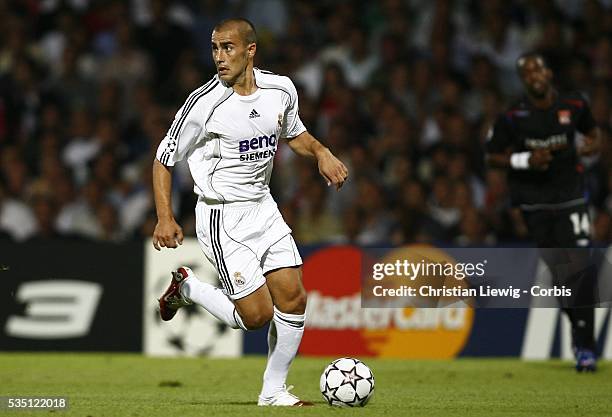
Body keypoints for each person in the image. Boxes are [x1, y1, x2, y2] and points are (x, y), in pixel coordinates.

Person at [151, 18, 348, 405]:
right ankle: (188, 286)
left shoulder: (280, 90)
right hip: (222, 217)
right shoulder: (203, 104)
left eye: (228, 47)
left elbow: (296, 134)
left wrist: (322, 152)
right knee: (256, 316)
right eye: (214, 48)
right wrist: (165, 217)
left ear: (250, 50)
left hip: (263, 206)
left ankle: (273, 392)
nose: (219, 57)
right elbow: (163, 159)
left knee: (293, 297)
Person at [486, 53, 601, 372]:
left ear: (549, 73)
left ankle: (585, 346)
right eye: (527, 72)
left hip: (571, 198)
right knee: (562, 277)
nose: (534, 75)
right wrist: (525, 161)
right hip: (535, 203)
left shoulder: (575, 105)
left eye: (538, 68)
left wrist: (593, 143)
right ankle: (580, 334)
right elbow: (492, 156)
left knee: (580, 269)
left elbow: (593, 133)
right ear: (523, 80)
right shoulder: (513, 115)